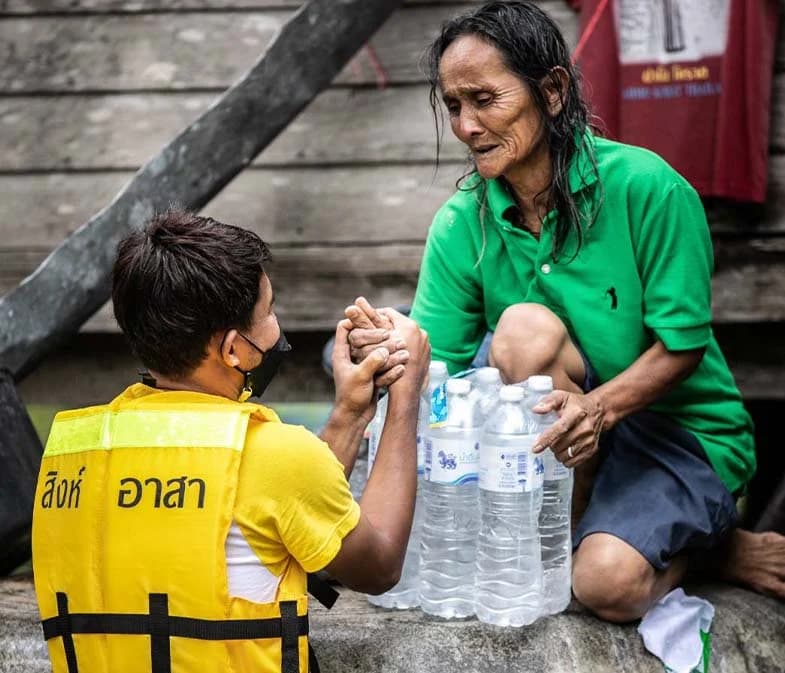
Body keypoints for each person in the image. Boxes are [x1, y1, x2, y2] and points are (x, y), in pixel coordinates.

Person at [404, 1, 785, 620]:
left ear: (551, 91)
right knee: (524, 333)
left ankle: (705, 548)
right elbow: (434, 365)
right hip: (557, 442)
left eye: (485, 99)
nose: (467, 125)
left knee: (607, 588)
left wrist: (598, 409)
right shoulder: (461, 222)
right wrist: (384, 354)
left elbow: (682, 347)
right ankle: (575, 531)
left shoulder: (647, 188)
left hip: (677, 431)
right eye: (453, 106)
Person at [31, 210, 430, 673]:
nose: (275, 325)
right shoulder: (271, 455)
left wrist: (351, 413)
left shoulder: (71, 455)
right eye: (269, 311)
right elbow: (378, 565)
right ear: (234, 349)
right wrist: (406, 396)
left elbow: (270, 513)